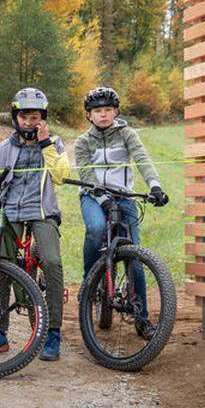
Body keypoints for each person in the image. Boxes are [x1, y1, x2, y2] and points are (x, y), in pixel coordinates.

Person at [0, 87, 71, 361]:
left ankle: (52, 332)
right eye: (24, 117)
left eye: (35, 117)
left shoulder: (54, 142)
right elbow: (0, 181)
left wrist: (45, 145)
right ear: (15, 118)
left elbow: (61, 176)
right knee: (2, 265)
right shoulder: (5, 147)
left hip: (42, 212)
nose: (30, 123)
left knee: (52, 262)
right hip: (12, 212)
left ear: (43, 118)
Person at [75, 87, 169, 339]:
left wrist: (155, 186)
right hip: (93, 196)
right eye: (97, 111)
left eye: (107, 110)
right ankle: (89, 282)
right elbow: (86, 174)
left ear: (115, 111)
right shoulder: (83, 141)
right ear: (89, 115)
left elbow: (142, 158)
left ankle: (142, 318)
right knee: (95, 228)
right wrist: (102, 198)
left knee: (134, 258)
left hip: (124, 196)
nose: (103, 115)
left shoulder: (127, 134)